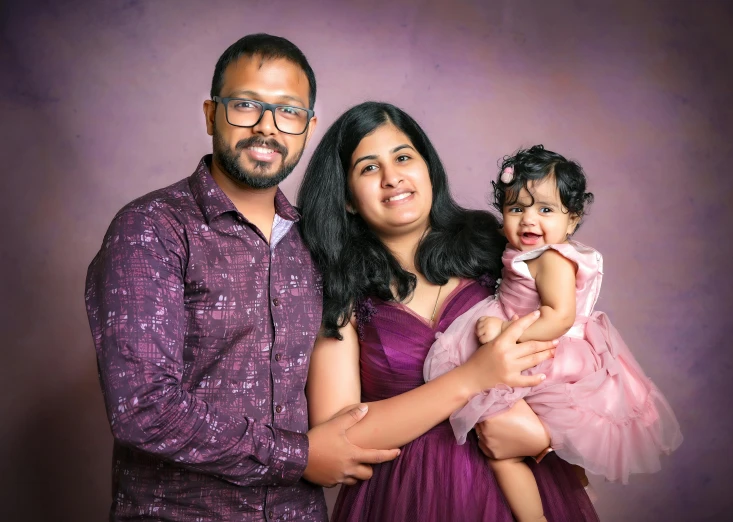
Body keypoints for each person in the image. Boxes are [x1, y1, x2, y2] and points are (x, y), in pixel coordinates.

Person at [84, 34, 405, 521]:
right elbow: (142, 408)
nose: (266, 127)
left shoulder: (316, 244)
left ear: (308, 126)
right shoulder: (152, 227)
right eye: (246, 105)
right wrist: (297, 456)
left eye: (287, 111)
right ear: (212, 114)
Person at [298, 102, 600, 521]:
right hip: (405, 499)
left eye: (403, 157)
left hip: (521, 489)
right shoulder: (339, 289)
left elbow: (571, 350)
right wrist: (472, 377)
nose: (392, 177)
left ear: (428, 169)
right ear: (347, 199)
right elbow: (339, 438)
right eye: (369, 168)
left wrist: (547, 438)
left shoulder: (497, 246)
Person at [424, 145, 684, 521]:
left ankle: (536, 517)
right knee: (536, 429)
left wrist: (506, 334)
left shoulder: (551, 259)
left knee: (503, 449)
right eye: (517, 209)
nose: (529, 220)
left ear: (572, 220)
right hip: (531, 338)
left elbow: (560, 317)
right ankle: (574, 485)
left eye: (545, 210)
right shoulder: (528, 251)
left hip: (544, 348)